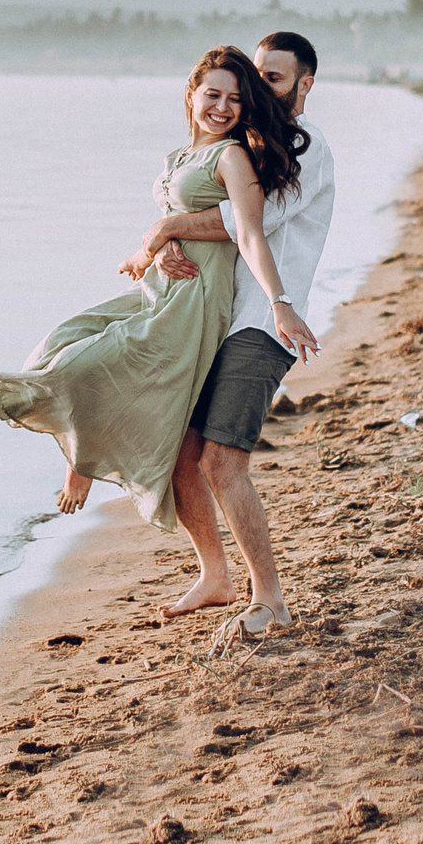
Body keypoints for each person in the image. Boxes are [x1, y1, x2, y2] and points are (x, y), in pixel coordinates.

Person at [0, 47, 309, 533]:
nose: (222, 107)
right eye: (213, 95)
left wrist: (280, 305)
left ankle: (83, 463)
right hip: (157, 289)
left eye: (235, 100)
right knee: (62, 342)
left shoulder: (232, 155)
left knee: (93, 365)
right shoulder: (180, 156)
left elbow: (250, 233)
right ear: (191, 95)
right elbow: (171, 222)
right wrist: (152, 250)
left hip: (192, 301)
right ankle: (83, 455)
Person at [133, 32, 332, 644]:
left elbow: (249, 223)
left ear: (304, 85)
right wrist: (169, 249)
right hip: (214, 317)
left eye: (273, 80)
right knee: (182, 450)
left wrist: (165, 225)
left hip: (262, 322)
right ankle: (214, 576)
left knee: (222, 463)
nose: (258, 91)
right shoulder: (248, 144)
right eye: (255, 80)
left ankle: (269, 600)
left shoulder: (305, 147)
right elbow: (215, 225)